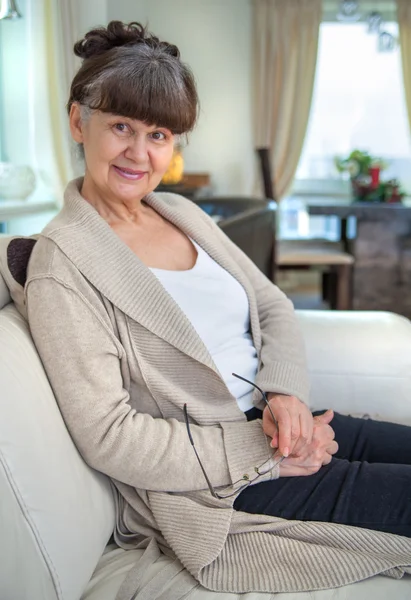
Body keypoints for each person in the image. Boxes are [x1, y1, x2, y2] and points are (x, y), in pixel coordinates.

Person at [24, 21, 411, 598]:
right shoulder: (63, 264)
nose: (139, 152)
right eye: (121, 127)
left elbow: (272, 305)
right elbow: (109, 434)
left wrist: (286, 397)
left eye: (158, 134)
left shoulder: (181, 211)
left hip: (278, 424)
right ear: (79, 121)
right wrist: (259, 454)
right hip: (214, 479)